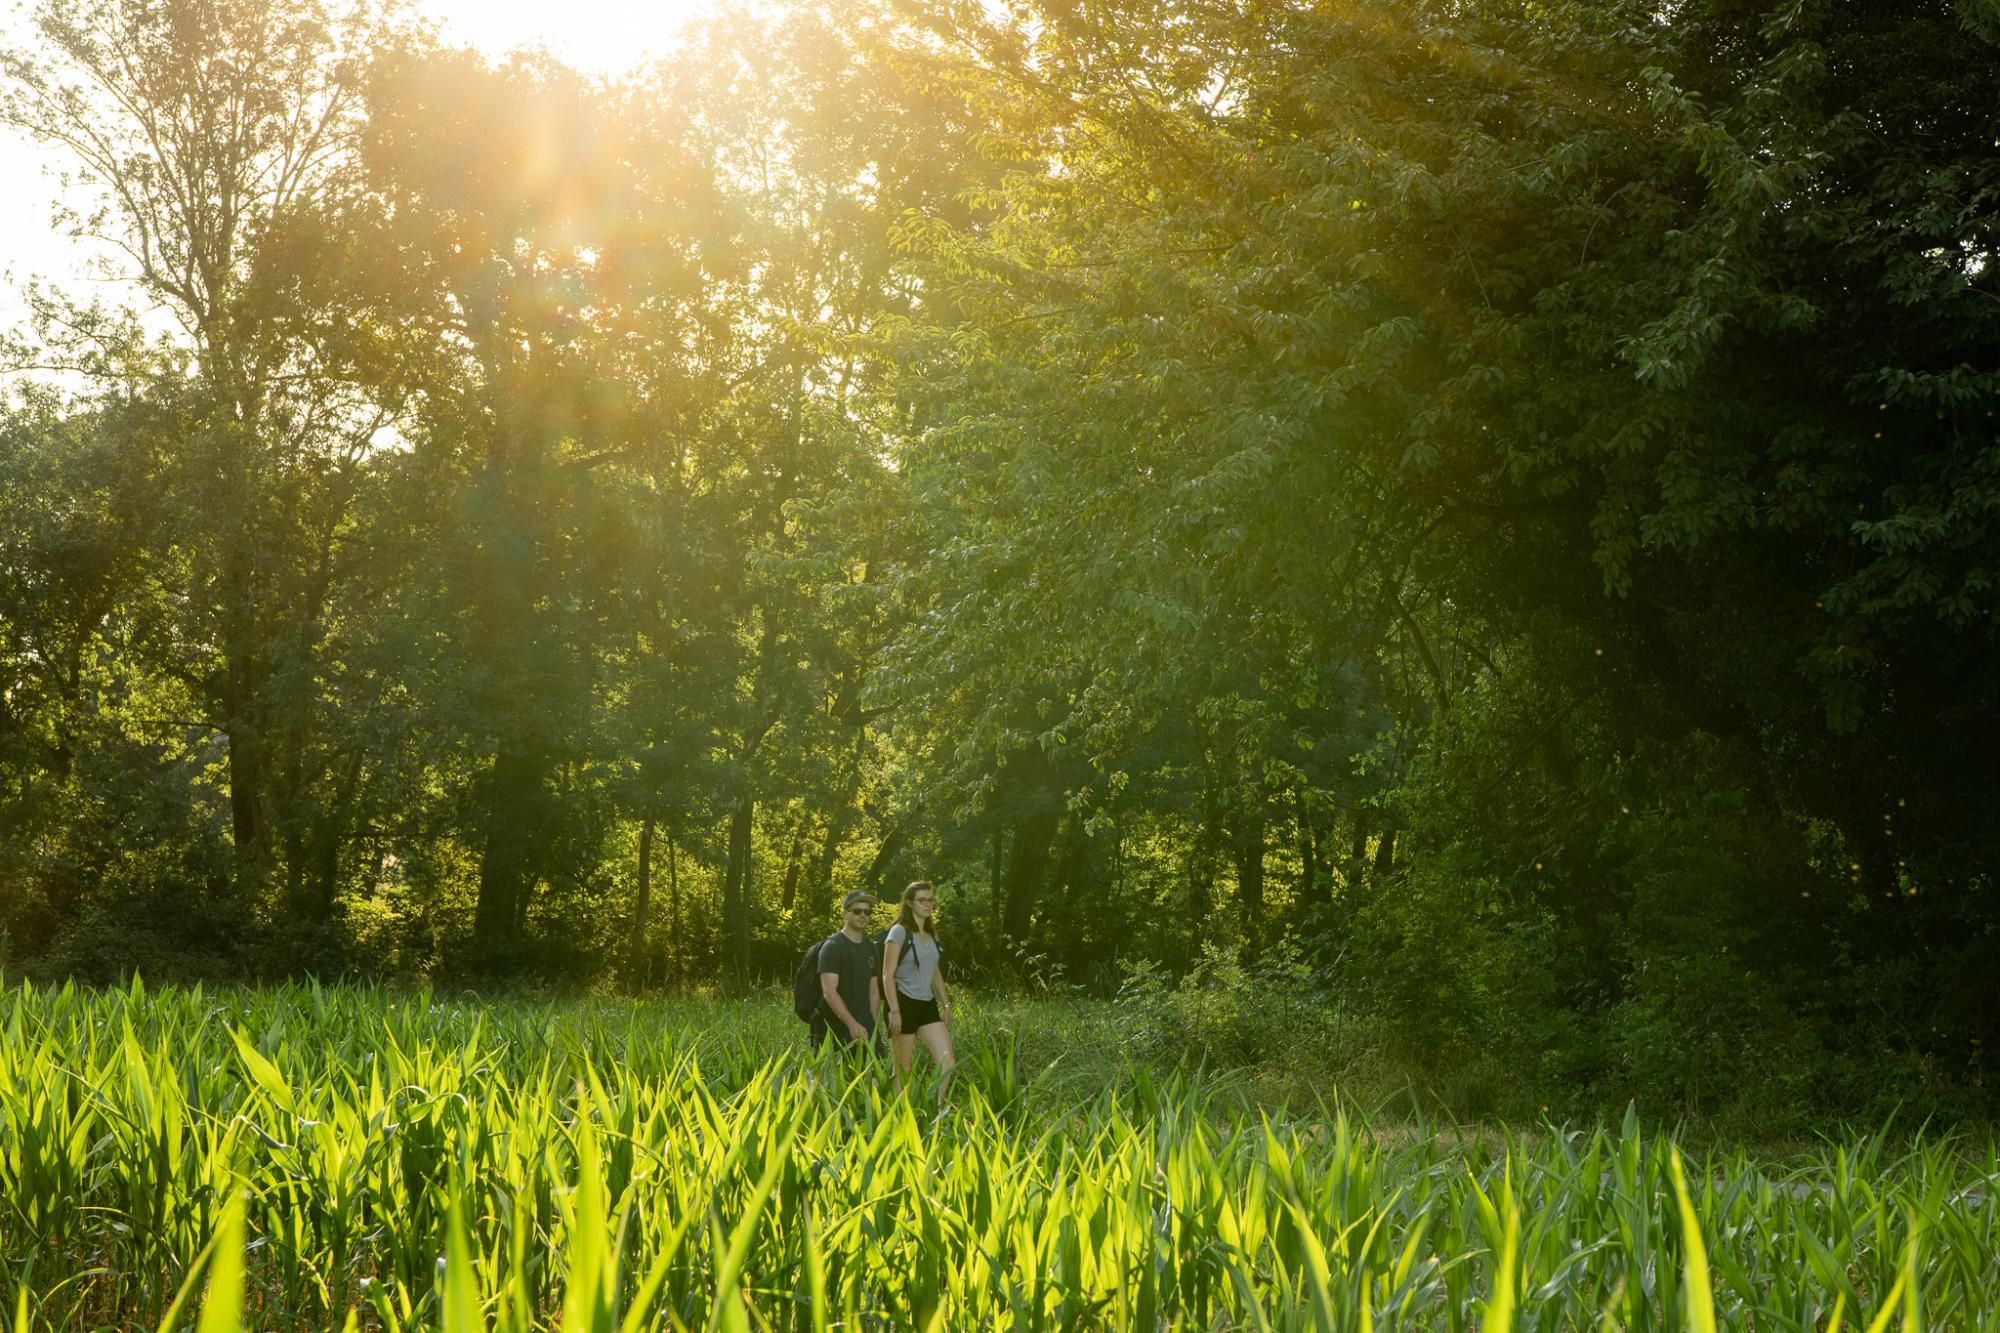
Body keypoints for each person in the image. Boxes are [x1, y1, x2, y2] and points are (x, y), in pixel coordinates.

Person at [882, 880, 955, 1099]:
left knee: (947, 1061)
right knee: (902, 1067)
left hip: (926, 1003)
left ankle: (935, 1108)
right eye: (922, 900)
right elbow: (887, 974)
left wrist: (946, 1004)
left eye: (931, 900)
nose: (927, 904)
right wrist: (894, 1010)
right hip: (903, 1003)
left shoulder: (932, 934)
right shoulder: (898, 932)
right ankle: (895, 1114)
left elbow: (935, 972)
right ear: (910, 903)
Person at [815, 889, 880, 1055]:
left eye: (867, 912)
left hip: (865, 1027)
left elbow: (873, 990)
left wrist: (873, 1024)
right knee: (834, 1079)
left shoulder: (870, 947)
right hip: (834, 1027)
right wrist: (852, 1024)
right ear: (845, 915)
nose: (863, 915)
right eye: (857, 911)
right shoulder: (833, 947)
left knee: (875, 1078)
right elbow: (829, 992)